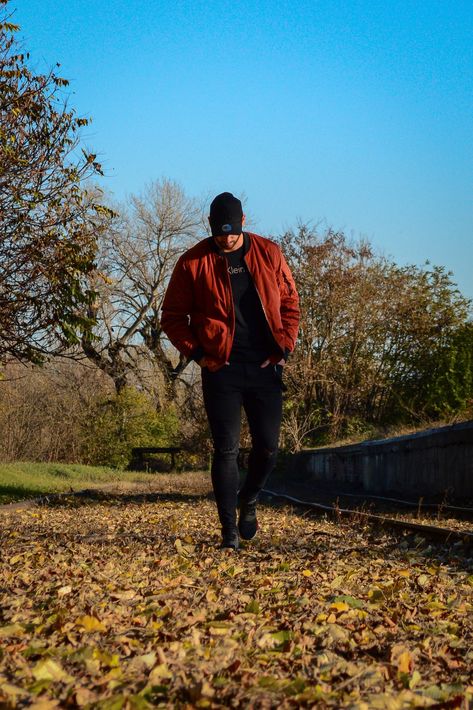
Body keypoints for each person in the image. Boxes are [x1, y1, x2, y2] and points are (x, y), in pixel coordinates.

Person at [161, 192, 299, 550]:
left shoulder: (269, 253)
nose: (227, 239)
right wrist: (197, 354)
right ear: (211, 228)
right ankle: (229, 534)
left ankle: (249, 498)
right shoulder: (193, 262)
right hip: (220, 368)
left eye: (233, 233)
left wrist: (283, 346)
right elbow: (172, 318)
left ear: (243, 222)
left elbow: (290, 303)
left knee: (268, 448)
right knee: (226, 450)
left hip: (265, 365)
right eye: (221, 233)